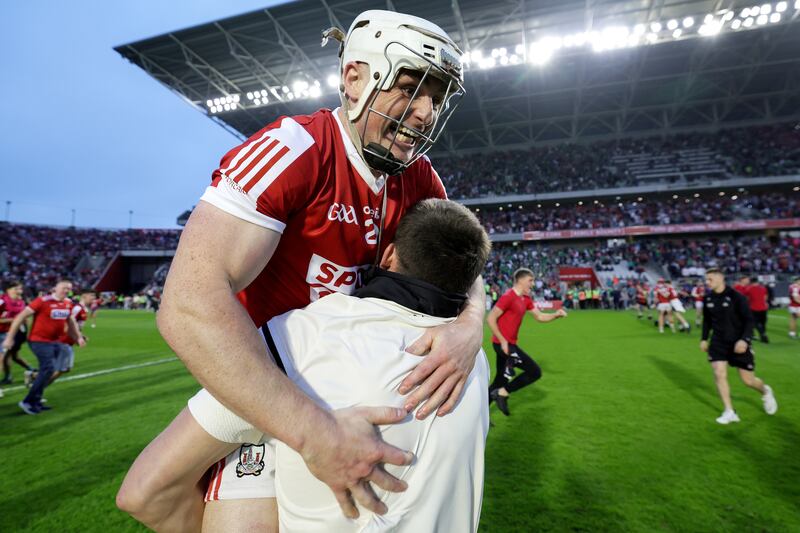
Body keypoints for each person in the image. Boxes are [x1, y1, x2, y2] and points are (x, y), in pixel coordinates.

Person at [116, 10, 485, 532]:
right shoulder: (294, 150)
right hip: (270, 389)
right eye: (411, 88)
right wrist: (316, 436)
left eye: (437, 97)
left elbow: (461, 262)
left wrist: (471, 325)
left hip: (353, 386)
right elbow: (187, 306)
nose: (426, 112)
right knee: (149, 494)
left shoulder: (420, 178)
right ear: (355, 76)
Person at [188, 199, 491, 532]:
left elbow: (145, 490)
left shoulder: (302, 334)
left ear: (388, 256)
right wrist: (474, 315)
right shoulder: (473, 359)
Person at [486, 268, 568, 416]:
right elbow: (490, 318)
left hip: (509, 345)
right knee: (534, 371)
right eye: (530, 280)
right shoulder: (508, 297)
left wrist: (556, 314)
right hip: (502, 345)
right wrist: (503, 341)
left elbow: (540, 317)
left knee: (500, 380)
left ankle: (480, 415)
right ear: (520, 280)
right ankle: (503, 393)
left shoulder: (526, 299)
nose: (533, 283)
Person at [700, 268, 777, 424]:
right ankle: (729, 411)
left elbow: (749, 320)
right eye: (706, 280)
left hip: (738, 342)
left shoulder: (737, 297)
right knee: (719, 373)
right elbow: (707, 320)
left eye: (710, 279)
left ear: (720, 278)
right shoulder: (707, 298)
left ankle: (765, 391)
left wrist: (744, 340)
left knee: (748, 381)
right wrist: (703, 338)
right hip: (718, 342)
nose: (707, 282)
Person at [1, 280, 85, 415]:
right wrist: (9, 337)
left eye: (69, 289)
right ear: (55, 288)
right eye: (64, 288)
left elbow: (71, 321)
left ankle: (36, 399)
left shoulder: (68, 303)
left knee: (57, 369)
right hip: (38, 340)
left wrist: (78, 337)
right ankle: (28, 401)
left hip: (55, 341)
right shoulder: (42, 301)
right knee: (48, 368)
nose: (66, 291)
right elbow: (20, 317)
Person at [50, 289, 95, 384]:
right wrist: (77, 337)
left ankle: (35, 379)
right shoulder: (77, 308)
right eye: (91, 296)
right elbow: (67, 323)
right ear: (84, 296)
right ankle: (37, 387)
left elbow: (75, 326)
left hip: (68, 341)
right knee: (63, 368)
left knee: (63, 368)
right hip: (64, 341)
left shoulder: (83, 309)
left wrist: (81, 336)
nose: (93, 298)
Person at [0, 280, 34, 385]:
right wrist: (15, 319)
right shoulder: (2, 301)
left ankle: (10, 376)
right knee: (4, 357)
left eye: (20, 288)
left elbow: (25, 319)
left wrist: (27, 331)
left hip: (10, 333)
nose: (19, 291)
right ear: (8, 290)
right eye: (16, 288)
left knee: (12, 355)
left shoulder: (21, 302)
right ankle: (31, 370)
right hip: (2, 333)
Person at [739, 276, 769, 343]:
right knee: (763, 323)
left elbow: (745, 298)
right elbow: (765, 298)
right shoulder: (763, 288)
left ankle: (762, 334)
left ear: (751, 282)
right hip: (763, 308)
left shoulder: (749, 289)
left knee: (755, 323)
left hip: (754, 308)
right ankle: (763, 334)